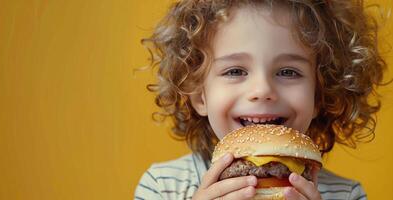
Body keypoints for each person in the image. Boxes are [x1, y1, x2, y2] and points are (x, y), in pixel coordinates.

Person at [134, 0, 387, 199]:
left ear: (320, 95)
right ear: (199, 95)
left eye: (288, 72)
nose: (262, 90)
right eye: (235, 71)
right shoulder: (163, 186)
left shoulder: (347, 195)